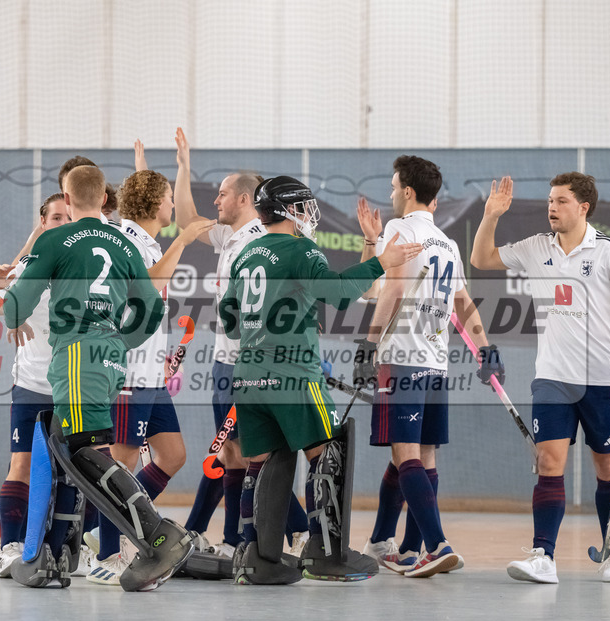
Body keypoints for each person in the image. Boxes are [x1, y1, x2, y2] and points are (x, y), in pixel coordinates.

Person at [219, 175, 423, 585]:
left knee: (257, 465)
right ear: (291, 209)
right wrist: (384, 260)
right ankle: (326, 555)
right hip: (293, 373)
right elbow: (341, 293)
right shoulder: (300, 249)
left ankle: (252, 556)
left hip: (247, 375)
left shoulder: (245, 253)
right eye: (304, 207)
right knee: (325, 455)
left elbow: (230, 319)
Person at [2, 164, 190, 591]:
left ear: (66, 201)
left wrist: (12, 308)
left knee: (84, 453)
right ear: (105, 199)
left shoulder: (56, 238)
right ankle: (64, 549)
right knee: (78, 451)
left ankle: (158, 536)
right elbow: (153, 308)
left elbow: (14, 305)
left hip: (75, 354)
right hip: (109, 356)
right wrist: (122, 342)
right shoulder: (122, 243)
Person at [470, 173, 610, 584]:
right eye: (550, 200)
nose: (551, 207)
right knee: (548, 462)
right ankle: (544, 555)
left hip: (602, 379)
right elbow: (481, 259)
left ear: (583, 207)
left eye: (561, 201)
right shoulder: (537, 247)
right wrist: (490, 215)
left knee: (608, 468)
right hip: (553, 377)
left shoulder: (609, 251)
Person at [353, 157, 503, 577]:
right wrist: (485, 348)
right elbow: (462, 302)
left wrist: (368, 343)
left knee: (405, 456)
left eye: (393, 185)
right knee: (422, 457)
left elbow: (390, 290)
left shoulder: (399, 231)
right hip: (436, 362)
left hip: (400, 358)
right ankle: (399, 547)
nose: (390, 192)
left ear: (407, 192)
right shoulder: (447, 243)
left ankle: (435, 545)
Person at [173, 128, 310, 558]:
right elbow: (183, 222)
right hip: (223, 361)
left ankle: (301, 532)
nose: (216, 201)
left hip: (248, 364)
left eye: (222, 194)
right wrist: (182, 168)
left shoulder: (267, 241)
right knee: (231, 451)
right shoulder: (229, 237)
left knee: (251, 452)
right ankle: (234, 540)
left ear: (246, 199)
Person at [93, 169, 215, 585]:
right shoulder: (127, 239)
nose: (171, 204)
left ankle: (112, 524)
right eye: (166, 196)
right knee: (122, 463)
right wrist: (183, 240)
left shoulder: (146, 240)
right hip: (127, 373)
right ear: (150, 202)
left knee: (172, 455)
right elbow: (144, 287)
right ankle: (107, 552)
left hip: (151, 374)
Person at [0, 193, 71, 578]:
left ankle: (58, 546)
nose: (63, 223)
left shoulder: (86, 266)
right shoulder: (26, 268)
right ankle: (9, 546)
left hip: (73, 384)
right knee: (24, 464)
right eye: (55, 218)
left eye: (69, 217)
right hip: (31, 384)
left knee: (71, 470)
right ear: (43, 223)